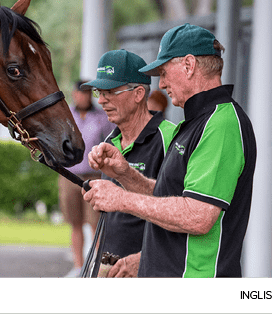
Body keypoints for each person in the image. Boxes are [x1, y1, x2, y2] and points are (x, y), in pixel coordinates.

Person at [84, 23, 256, 277]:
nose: (161, 84)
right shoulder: (196, 122)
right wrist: (125, 174)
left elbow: (198, 215)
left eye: (163, 72)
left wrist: (121, 199)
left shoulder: (221, 123)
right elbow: (170, 196)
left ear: (189, 65)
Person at [80, 49, 175, 277]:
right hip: (108, 266)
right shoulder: (109, 141)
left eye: (110, 91)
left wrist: (147, 258)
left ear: (139, 93)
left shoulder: (171, 137)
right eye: (98, 92)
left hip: (151, 271)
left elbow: (183, 211)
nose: (101, 100)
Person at [60, 80, 115, 277]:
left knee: (95, 224)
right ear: (74, 94)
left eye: (86, 93)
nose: (82, 97)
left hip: (94, 177)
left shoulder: (102, 118)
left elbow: (111, 145)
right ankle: (78, 266)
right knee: (75, 223)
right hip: (69, 176)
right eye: (79, 93)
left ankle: (97, 267)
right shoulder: (68, 116)